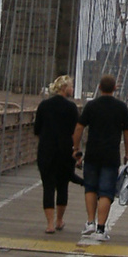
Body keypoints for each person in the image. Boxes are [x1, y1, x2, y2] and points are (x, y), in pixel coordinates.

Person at [73, 74, 128, 240]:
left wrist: (76, 148)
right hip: (111, 154)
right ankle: (100, 230)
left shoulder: (91, 106)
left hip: (92, 153)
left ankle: (90, 223)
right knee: (106, 192)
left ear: (99, 88)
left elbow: (79, 128)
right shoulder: (121, 107)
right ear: (115, 88)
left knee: (90, 188)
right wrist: (127, 153)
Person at [33, 75, 79, 233]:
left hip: (46, 151)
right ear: (64, 88)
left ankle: (49, 224)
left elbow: (37, 130)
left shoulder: (44, 105)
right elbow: (75, 132)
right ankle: (59, 221)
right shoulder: (72, 108)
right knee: (62, 186)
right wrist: (76, 150)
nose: (73, 89)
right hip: (65, 152)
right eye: (72, 86)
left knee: (48, 187)